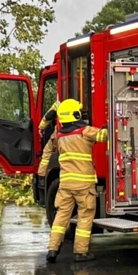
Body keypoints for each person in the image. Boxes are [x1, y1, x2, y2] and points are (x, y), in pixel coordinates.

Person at [46, 98, 108, 264]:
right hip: (84, 185)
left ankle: (52, 249)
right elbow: (104, 136)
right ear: (75, 114)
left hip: (65, 185)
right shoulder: (85, 132)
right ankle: (80, 252)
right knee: (85, 217)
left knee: (61, 217)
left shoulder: (60, 137)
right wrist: (110, 126)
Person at [37, 101, 58, 180]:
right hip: (80, 133)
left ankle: (42, 177)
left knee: (47, 152)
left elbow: (49, 115)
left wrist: (41, 127)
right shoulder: (79, 103)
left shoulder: (59, 102)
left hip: (60, 133)